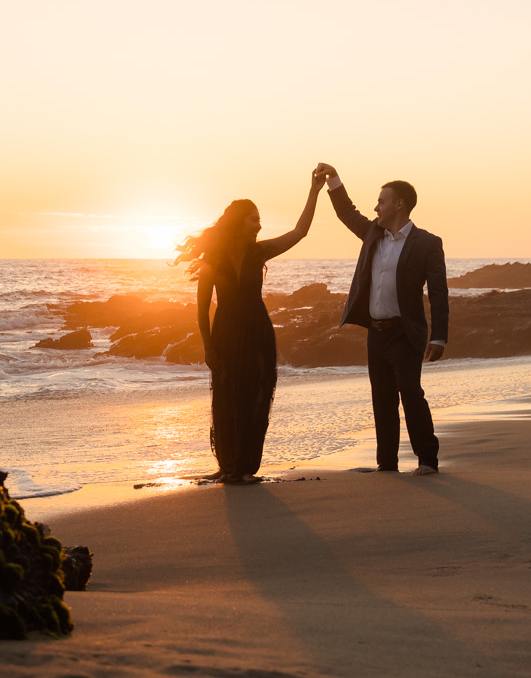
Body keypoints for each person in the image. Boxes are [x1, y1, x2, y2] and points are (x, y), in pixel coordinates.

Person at [177, 168, 327, 484]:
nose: (259, 225)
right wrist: (207, 345)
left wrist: (313, 190)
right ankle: (229, 465)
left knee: (257, 394)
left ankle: (245, 467)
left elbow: (300, 231)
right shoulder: (213, 259)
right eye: (253, 219)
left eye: (259, 219)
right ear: (237, 222)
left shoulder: (259, 251)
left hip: (258, 332)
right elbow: (202, 308)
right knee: (227, 396)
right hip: (227, 334)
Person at [317, 164, 449, 474]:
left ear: (399, 204)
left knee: (410, 393)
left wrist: (439, 336)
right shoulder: (372, 233)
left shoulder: (427, 243)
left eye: (381, 201)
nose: (376, 206)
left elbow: (439, 293)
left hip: (405, 332)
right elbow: (347, 213)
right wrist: (333, 179)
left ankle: (427, 459)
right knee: (382, 399)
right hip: (375, 332)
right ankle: (387, 462)